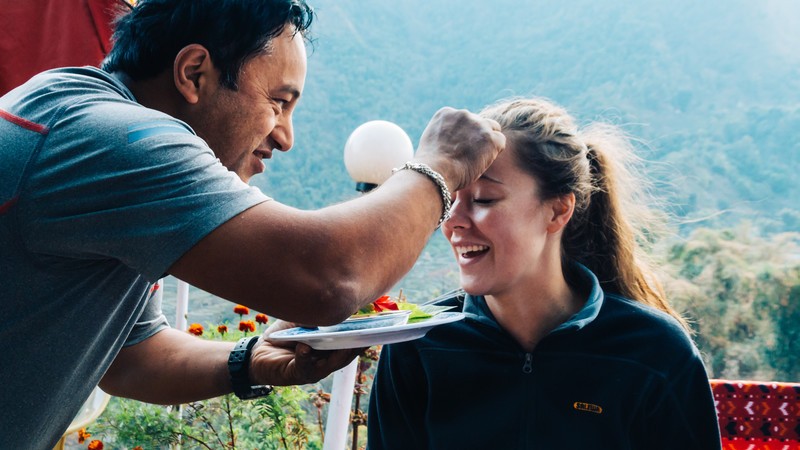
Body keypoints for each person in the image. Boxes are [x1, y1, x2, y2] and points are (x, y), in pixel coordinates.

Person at [0, 1, 505, 448]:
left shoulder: (75, 114)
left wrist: (253, 359)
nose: (286, 136)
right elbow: (330, 279)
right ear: (194, 73)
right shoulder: (114, 141)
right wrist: (440, 166)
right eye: (278, 102)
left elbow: (130, 355)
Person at [367, 97, 721, 449]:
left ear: (558, 211)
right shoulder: (418, 347)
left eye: (484, 199)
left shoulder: (656, 354)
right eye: (450, 200)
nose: (453, 221)